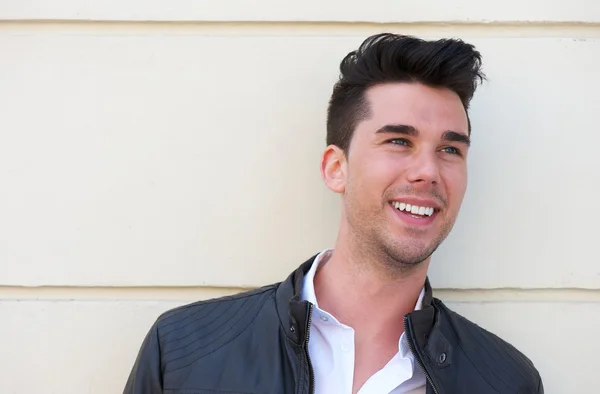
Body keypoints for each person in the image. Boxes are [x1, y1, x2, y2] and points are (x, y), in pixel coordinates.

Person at [123, 33, 543, 394]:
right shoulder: (183, 351)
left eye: (450, 150)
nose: (427, 172)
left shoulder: (504, 381)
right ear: (335, 168)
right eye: (398, 141)